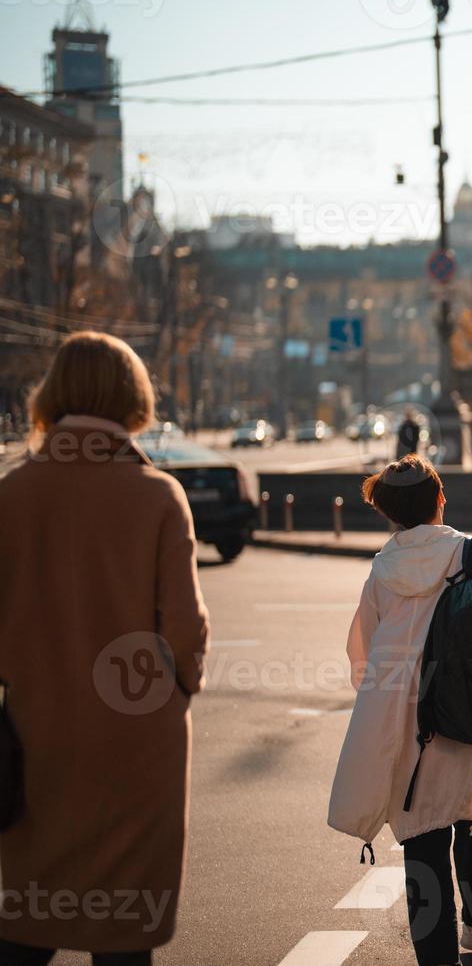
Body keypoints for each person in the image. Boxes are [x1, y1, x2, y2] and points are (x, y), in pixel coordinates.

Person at [0, 332, 210, 964]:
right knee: (125, 929)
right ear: (132, 396)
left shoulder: (10, 494)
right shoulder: (155, 495)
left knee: (30, 914)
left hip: (33, 735)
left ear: (54, 394)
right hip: (136, 742)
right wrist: (179, 688)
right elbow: (185, 630)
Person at [328, 454, 472, 966]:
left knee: (423, 850)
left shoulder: (382, 570)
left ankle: (437, 957)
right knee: (469, 815)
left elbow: (363, 656)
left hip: (409, 728)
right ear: (440, 500)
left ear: (390, 515)